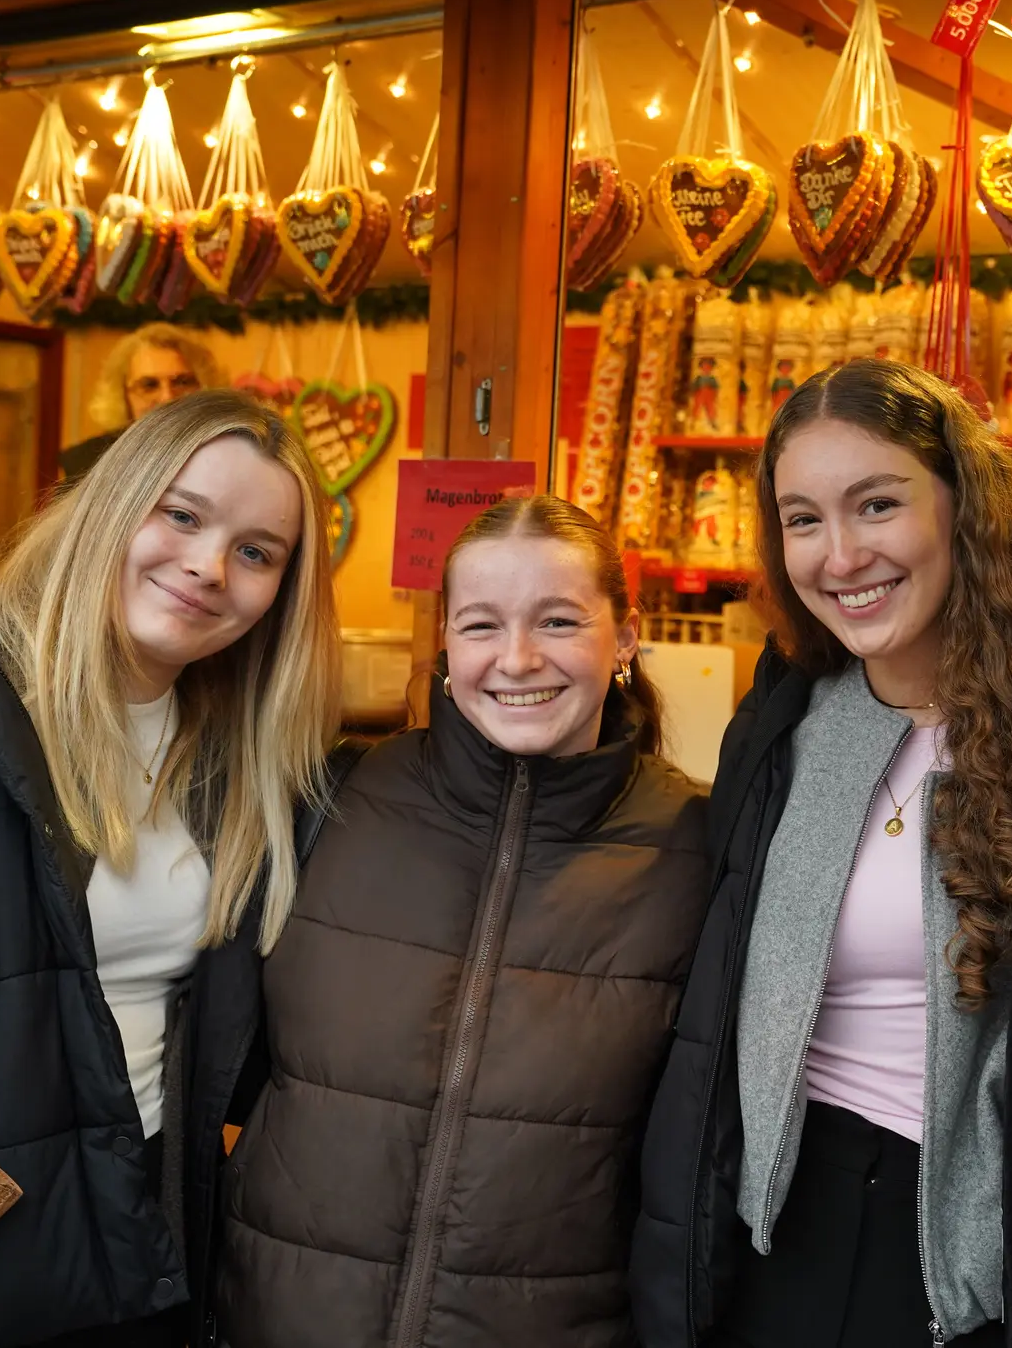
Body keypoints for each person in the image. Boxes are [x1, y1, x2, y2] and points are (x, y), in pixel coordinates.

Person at [0, 390, 341, 1347]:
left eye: (257, 551)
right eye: (181, 514)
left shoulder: (232, 754)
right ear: (112, 502)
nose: (208, 566)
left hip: (134, 1257)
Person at [631, 358, 1012, 1348]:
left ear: (959, 507)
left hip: (965, 1255)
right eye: (803, 519)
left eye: (876, 505)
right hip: (775, 1223)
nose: (840, 554)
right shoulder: (785, 719)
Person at [216, 495, 709, 1347]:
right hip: (280, 1317)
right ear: (445, 638)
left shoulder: (697, 845)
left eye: (557, 620)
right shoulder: (330, 799)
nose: (517, 659)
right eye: (481, 624)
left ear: (624, 636)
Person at [60, 324, 228, 482]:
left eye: (182, 382)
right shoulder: (87, 464)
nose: (167, 397)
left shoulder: (231, 452)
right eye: (149, 385)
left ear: (204, 386)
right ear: (122, 395)